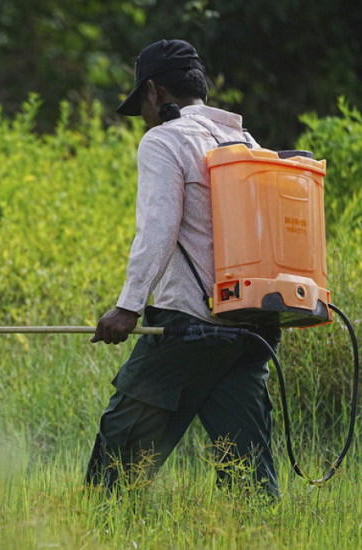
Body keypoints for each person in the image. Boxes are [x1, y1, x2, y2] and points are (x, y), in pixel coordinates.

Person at [85, 39, 281, 499]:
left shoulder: (165, 140)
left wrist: (128, 308)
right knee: (247, 465)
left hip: (193, 323)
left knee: (121, 446)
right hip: (252, 326)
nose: (145, 117)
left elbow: (158, 228)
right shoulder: (247, 143)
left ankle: (99, 523)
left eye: (142, 104)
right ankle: (261, 528)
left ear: (155, 91)